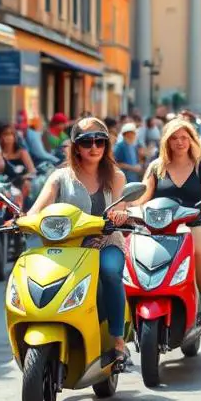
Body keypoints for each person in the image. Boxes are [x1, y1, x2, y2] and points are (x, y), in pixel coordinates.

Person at [28, 117, 132, 365]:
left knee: (108, 271)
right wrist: (21, 220)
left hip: (107, 244)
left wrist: (121, 214)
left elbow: (122, 204)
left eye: (100, 141)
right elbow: (36, 209)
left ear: (107, 145)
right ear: (76, 146)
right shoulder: (60, 177)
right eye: (87, 142)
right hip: (67, 249)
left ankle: (118, 340)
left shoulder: (116, 176)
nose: (94, 147)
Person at [136, 118, 201, 326]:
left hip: (196, 222)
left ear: (191, 140)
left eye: (184, 137)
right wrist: (128, 208)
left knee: (196, 250)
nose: (179, 142)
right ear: (166, 142)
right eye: (174, 138)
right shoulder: (157, 167)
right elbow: (143, 197)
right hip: (161, 225)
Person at [0, 122, 37, 204]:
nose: (9, 137)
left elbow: (32, 170)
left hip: (22, 182)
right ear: (0, 137)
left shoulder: (21, 152)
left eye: (11, 134)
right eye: (5, 134)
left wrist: (24, 178)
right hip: (6, 184)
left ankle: (20, 211)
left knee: (26, 185)